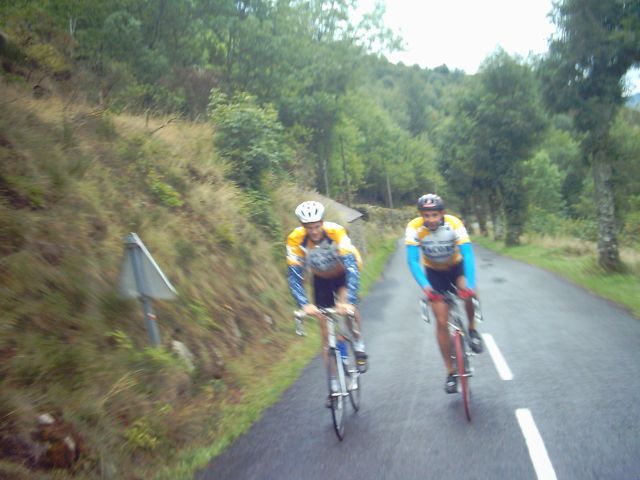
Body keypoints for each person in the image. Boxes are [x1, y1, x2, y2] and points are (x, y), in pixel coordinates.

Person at [286, 201, 368, 399]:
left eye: (316, 226)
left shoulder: (336, 232)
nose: (313, 232)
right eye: (308, 228)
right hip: (321, 279)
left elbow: (351, 267)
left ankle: (358, 344)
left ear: (322, 222)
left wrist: (349, 300)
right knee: (325, 334)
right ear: (302, 226)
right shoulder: (295, 239)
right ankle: (333, 383)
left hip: (343, 274)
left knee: (345, 308)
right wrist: (304, 304)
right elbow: (294, 274)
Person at [405, 193, 483, 394]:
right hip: (434, 272)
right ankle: (451, 372)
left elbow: (467, 253)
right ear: (421, 215)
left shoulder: (454, 223)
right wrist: (425, 286)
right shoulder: (414, 227)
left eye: (434, 215)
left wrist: (471, 285)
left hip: (456, 267)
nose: (430, 219)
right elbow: (413, 260)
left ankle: (472, 329)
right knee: (441, 322)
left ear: (442, 214)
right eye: (426, 215)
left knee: (468, 291)